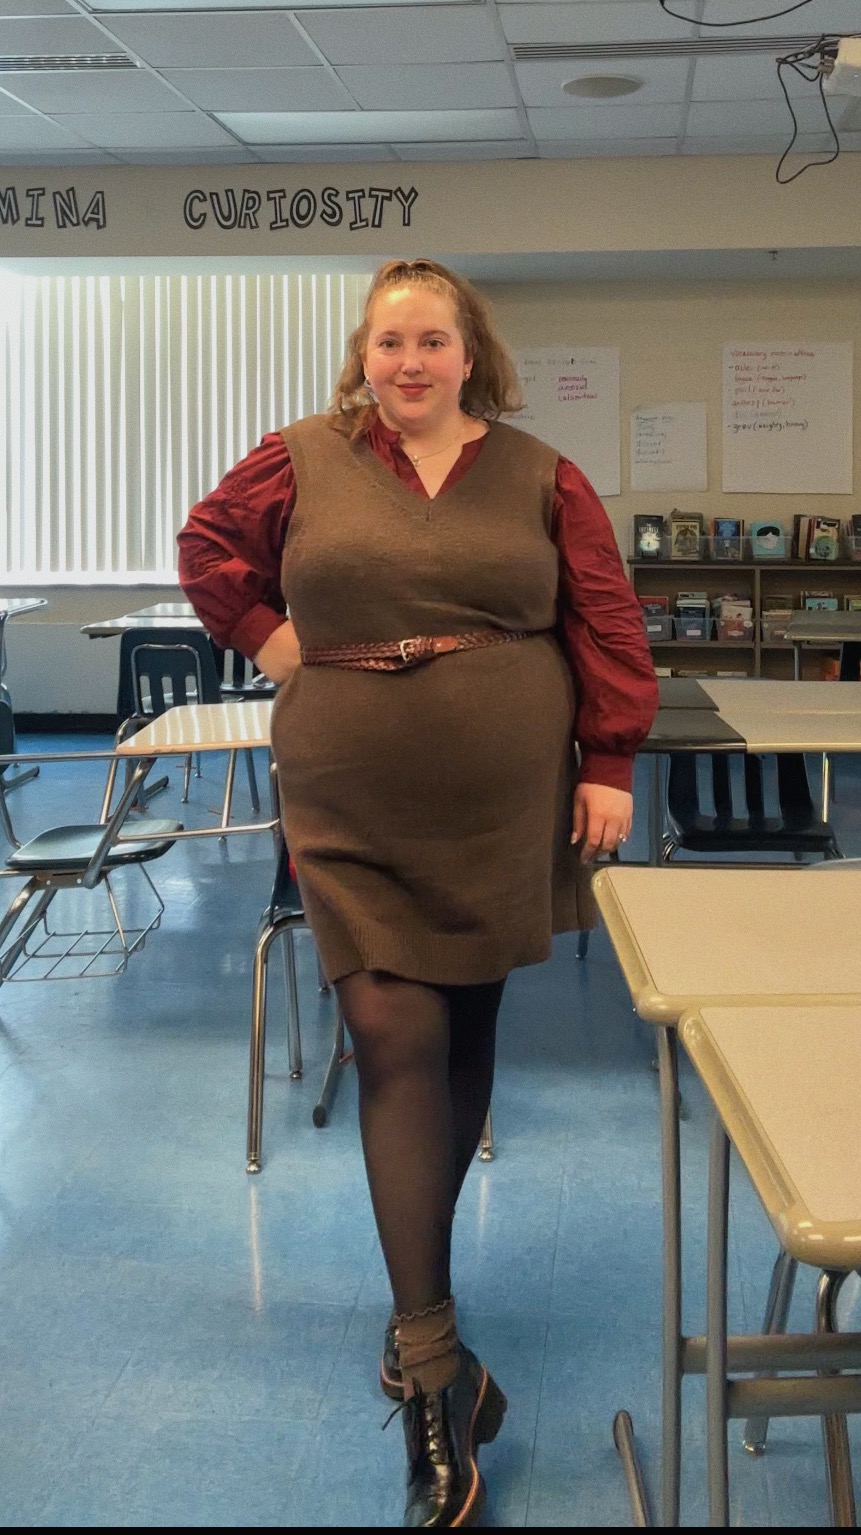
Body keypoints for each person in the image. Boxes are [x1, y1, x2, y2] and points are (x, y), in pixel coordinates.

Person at [178, 258, 658, 1528]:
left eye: (431, 340)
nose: (408, 363)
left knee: (462, 1039)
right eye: (389, 341)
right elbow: (208, 545)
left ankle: (427, 1328)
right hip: (347, 793)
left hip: (500, 798)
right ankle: (433, 1369)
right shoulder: (299, 458)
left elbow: (605, 617)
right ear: (364, 351)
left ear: (468, 352)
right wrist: (276, 642)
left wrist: (608, 757)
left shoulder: (543, 472)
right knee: (391, 1033)